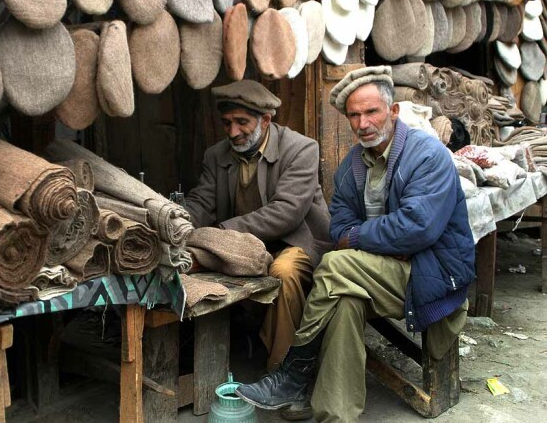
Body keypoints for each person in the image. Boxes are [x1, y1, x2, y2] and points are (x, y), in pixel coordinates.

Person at [235, 66, 476, 422]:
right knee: (344, 298)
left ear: (393, 111)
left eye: (371, 112)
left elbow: (417, 228)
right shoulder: (352, 165)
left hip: (432, 272)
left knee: (333, 265)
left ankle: (294, 374)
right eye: (354, 115)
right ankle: (334, 415)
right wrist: (384, 239)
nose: (362, 123)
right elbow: (340, 227)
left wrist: (363, 236)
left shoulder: (427, 155)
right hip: (377, 272)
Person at [185, 79, 332, 372]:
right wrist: (177, 223)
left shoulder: (301, 149)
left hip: (296, 242)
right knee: (189, 262)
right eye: (227, 123)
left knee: (284, 272)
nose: (233, 131)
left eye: (242, 122)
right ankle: (206, 360)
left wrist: (222, 233)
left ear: (265, 120)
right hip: (246, 246)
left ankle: (284, 373)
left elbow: (287, 212)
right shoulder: (217, 155)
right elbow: (201, 203)